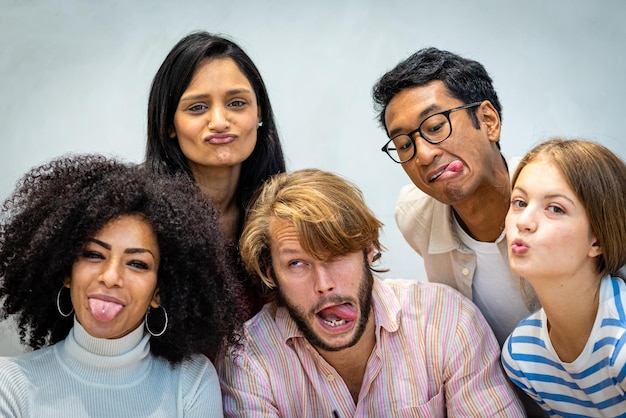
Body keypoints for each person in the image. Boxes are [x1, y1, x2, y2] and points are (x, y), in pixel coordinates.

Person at [216, 168, 524, 416]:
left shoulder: (448, 322)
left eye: (336, 255)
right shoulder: (248, 360)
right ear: (272, 274)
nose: (323, 284)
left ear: (368, 250)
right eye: (297, 263)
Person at [0, 154, 247, 417]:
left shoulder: (191, 382)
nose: (110, 277)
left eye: (138, 264)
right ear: (66, 272)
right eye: (94, 255)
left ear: (159, 291)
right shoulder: (11, 384)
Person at [371, 47, 541, 347]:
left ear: (488, 121)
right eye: (403, 144)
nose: (423, 154)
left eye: (436, 126)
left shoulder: (563, 197)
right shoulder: (415, 216)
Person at [145, 31, 286, 317]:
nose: (220, 122)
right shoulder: (140, 218)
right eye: (197, 108)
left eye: (237, 103)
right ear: (169, 124)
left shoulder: (283, 215)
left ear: (259, 113)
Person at [501, 138, 626, 416]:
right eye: (519, 202)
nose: (523, 221)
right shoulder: (522, 354)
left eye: (555, 208)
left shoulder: (621, 346)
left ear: (598, 241)